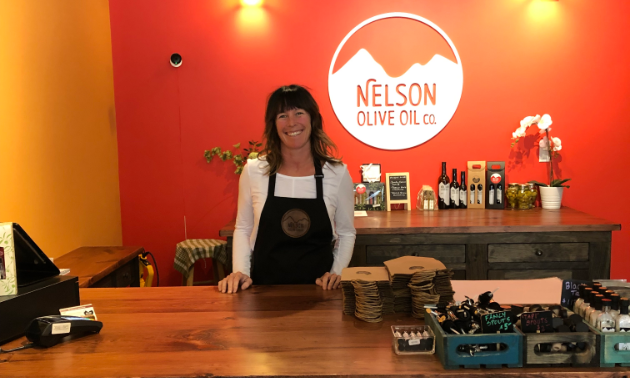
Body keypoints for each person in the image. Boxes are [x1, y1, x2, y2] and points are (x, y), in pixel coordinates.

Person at [218, 85, 356, 294]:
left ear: (313, 119)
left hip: (321, 295)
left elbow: (346, 233)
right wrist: (241, 272)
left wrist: (337, 272)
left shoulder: (336, 173)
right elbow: (243, 229)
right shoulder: (254, 171)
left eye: (299, 113)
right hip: (263, 293)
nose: (292, 123)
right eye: (283, 115)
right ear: (273, 124)